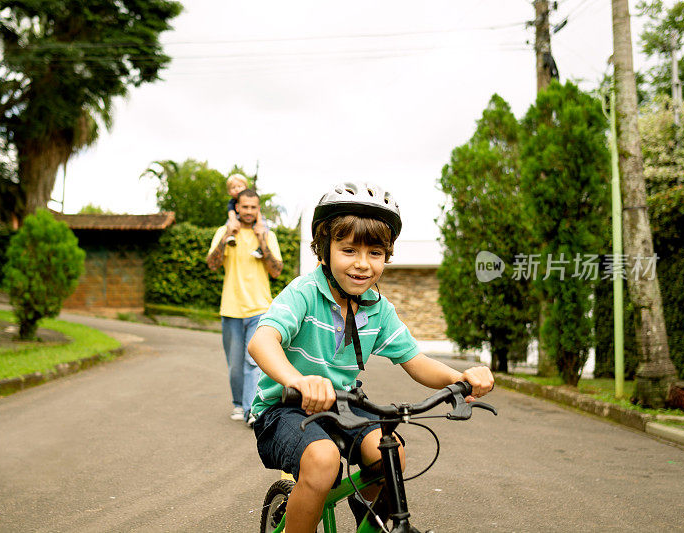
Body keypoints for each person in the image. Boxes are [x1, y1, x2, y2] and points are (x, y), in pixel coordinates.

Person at [247, 182, 494, 533]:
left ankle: (370, 525)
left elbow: (417, 361)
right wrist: (297, 380)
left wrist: (462, 378)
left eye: (375, 253)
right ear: (324, 250)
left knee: (391, 453)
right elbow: (262, 341)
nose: (363, 264)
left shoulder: (378, 309)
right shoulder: (304, 292)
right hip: (283, 408)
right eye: (349, 250)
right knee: (322, 459)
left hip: (342, 404)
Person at [207, 189, 283, 426]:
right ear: (236, 208)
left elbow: (276, 270)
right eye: (245, 207)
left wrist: (262, 239)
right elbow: (212, 264)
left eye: (254, 207)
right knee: (235, 364)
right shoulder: (225, 232)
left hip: (260, 308)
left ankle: (253, 409)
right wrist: (227, 235)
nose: (249, 211)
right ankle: (238, 405)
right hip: (231, 309)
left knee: (254, 361)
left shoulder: (267, 234)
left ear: (258, 209)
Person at [224, 173, 266, 258]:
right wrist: (233, 222)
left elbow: (258, 213)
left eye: (239, 186)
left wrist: (259, 223)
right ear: (229, 191)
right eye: (233, 187)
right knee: (229, 224)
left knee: (264, 229)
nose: (236, 189)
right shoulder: (232, 203)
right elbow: (231, 214)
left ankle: (260, 248)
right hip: (236, 219)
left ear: (245, 187)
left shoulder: (251, 198)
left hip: (256, 220)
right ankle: (231, 237)